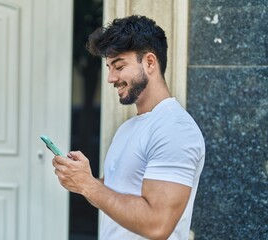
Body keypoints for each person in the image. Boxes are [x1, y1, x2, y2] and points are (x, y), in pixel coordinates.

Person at [52, 15, 205, 240]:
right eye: (109, 67)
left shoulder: (175, 129)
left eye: (119, 66)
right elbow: (117, 191)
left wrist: (88, 186)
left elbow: (157, 225)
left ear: (150, 62)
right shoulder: (128, 128)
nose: (111, 78)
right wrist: (83, 178)